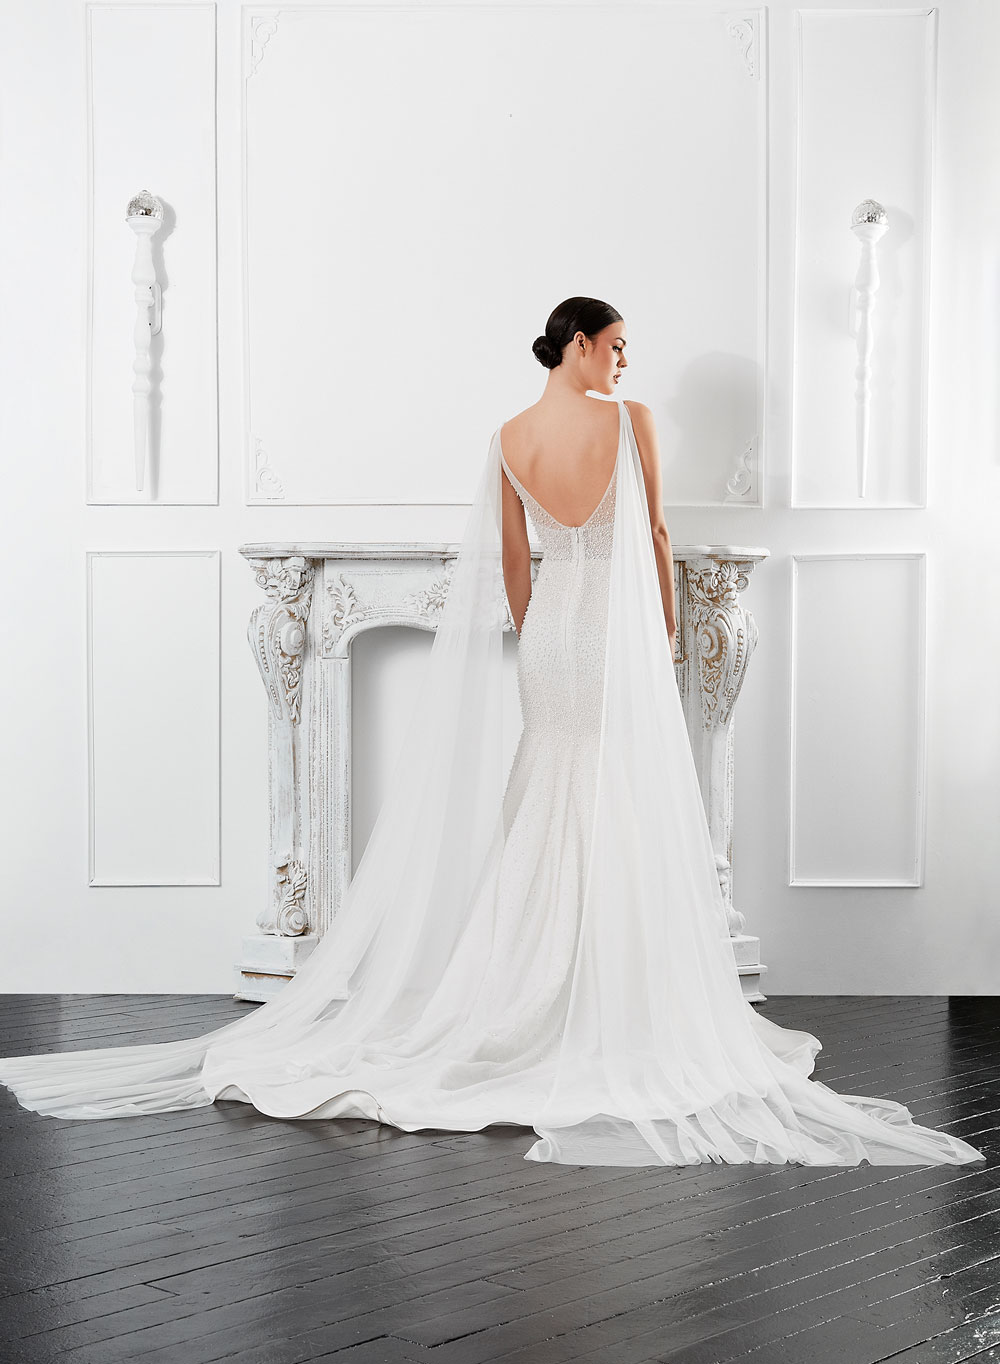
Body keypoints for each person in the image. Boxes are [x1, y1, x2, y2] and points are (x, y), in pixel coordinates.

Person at [0, 297, 984, 1169]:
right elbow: (651, 537)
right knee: (616, 796)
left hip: (551, 632)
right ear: (580, 344)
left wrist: (539, 625)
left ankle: (523, 984)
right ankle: (612, 994)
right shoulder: (629, 422)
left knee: (549, 790)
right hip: (616, 633)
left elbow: (515, 564)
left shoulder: (509, 437)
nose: (625, 362)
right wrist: (666, 633)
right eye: (617, 344)